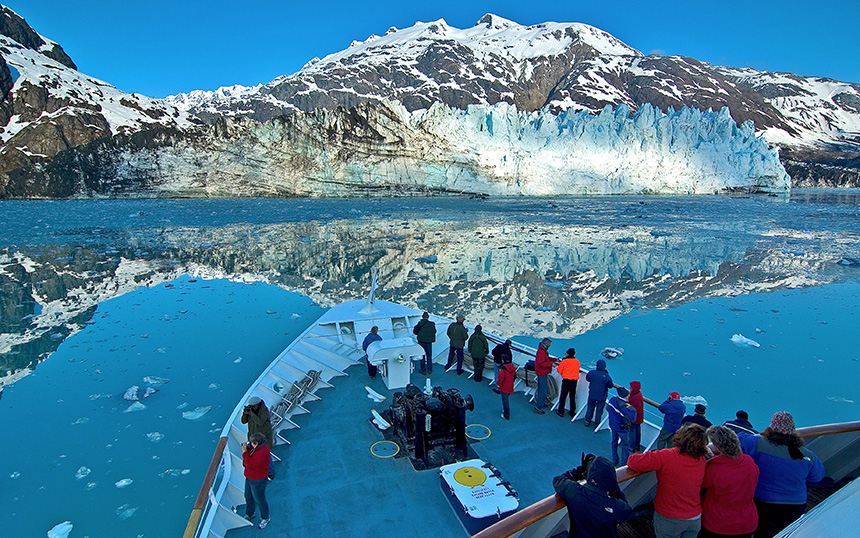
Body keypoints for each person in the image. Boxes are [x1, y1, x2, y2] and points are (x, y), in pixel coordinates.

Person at [738, 411, 825, 538]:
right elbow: (817, 477)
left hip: (764, 502)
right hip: (796, 506)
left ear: (771, 428)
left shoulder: (758, 443)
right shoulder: (807, 455)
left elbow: (739, 440)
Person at [627, 424, 709, 538]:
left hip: (671, 517)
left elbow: (633, 462)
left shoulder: (667, 456)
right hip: (694, 518)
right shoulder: (701, 460)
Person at [553, 454, 634, 537]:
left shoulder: (575, 493)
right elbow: (627, 511)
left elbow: (558, 480)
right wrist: (614, 487)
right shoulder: (618, 507)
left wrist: (580, 471)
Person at [700, 425, 759, 538]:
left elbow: (701, 484)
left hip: (718, 523)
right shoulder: (749, 462)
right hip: (747, 522)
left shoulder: (714, 468)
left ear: (717, 447)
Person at [242, 432, 271, 529]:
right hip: (250, 477)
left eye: (253, 443)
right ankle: (250, 513)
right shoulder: (256, 448)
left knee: (260, 499)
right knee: (248, 496)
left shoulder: (262, 452)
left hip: (258, 479)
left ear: (258, 443)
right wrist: (249, 448)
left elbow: (250, 464)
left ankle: (265, 517)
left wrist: (245, 452)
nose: (252, 445)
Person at [607, 387, 636, 467]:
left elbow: (607, 408)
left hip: (613, 425)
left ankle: (614, 460)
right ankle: (624, 463)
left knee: (614, 442)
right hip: (622, 429)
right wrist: (632, 408)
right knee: (625, 445)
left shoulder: (612, 400)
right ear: (626, 396)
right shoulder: (624, 407)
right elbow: (633, 418)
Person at [584, 359, 613, 426]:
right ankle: (596, 424)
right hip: (601, 396)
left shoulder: (591, 373)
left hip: (592, 394)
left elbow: (587, 379)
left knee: (590, 407)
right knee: (599, 410)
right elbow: (610, 385)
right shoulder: (606, 377)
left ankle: (587, 421)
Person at [555, 347, 580, 418]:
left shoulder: (565, 362)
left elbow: (559, 371)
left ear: (568, 354)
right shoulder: (577, 361)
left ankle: (561, 411)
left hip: (566, 380)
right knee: (572, 396)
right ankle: (572, 411)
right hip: (574, 381)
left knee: (563, 396)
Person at [533, 337, 553, 415]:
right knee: (542, 390)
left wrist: (554, 360)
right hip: (542, 373)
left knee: (544, 390)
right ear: (546, 344)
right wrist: (551, 364)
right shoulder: (542, 352)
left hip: (542, 373)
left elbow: (546, 359)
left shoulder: (542, 351)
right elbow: (541, 363)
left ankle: (541, 403)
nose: (550, 345)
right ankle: (539, 406)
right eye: (549, 344)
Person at [498, 355, 516, 420]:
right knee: (506, 399)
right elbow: (514, 375)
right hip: (510, 385)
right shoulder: (512, 366)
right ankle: (505, 411)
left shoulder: (502, 368)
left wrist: (498, 384)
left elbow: (501, 378)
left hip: (504, 387)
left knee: (505, 401)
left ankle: (506, 415)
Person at [628, 381, 644, 453]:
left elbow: (634, 409)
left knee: (632, 432)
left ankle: (632, 447)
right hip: (639, 417)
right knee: (637, 431)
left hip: (634, 418)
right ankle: (637, 446)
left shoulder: (636, 398)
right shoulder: (639, 394)